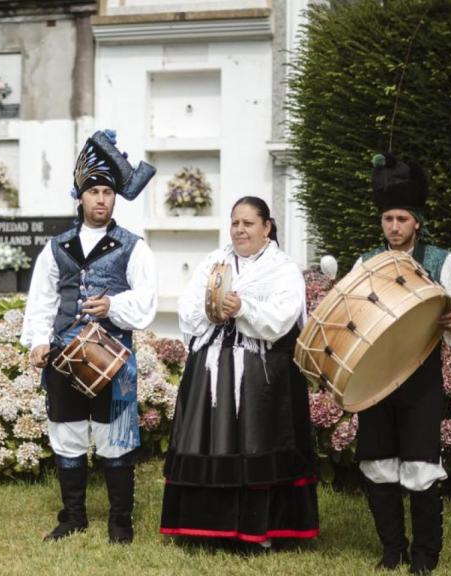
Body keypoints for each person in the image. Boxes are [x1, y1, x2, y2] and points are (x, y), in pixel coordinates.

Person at [21, 130, 157, 544]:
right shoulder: (57, 247)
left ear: (115, 198)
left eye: (108, 192)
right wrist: (38, 341)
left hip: (112, 358)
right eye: (94, 191)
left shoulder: (133, 247)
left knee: (114, 437)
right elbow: (41, 299)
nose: (101, 199)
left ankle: (120, 522)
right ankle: (73, 517)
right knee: (67, 432)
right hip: (65, 356)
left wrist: (112, 306)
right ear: (79, 197)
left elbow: (147, 302)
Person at [159, 196, 319, 548]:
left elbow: (283, 317)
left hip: (263, 375)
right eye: (235, 223)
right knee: (210, 442)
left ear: (267, 227)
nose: (240, 229)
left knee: (257, 443)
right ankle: (205, 529)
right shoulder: (214, 261)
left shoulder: (282, 268)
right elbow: (188, 308)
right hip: (212, 369)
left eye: (248, 223)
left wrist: (243, 307)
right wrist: (212, 309)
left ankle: (261, 531)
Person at [356, 153, 451, 574]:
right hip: (375, 377)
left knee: (420, 466)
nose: (394, 227)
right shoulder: (367, 262)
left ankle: (425, 557)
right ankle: (392, 549)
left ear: (417, 222)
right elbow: (349, 319)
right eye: (388, 218)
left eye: (402, 219)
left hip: (421, 379)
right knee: (377, 462)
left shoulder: (441, 262)